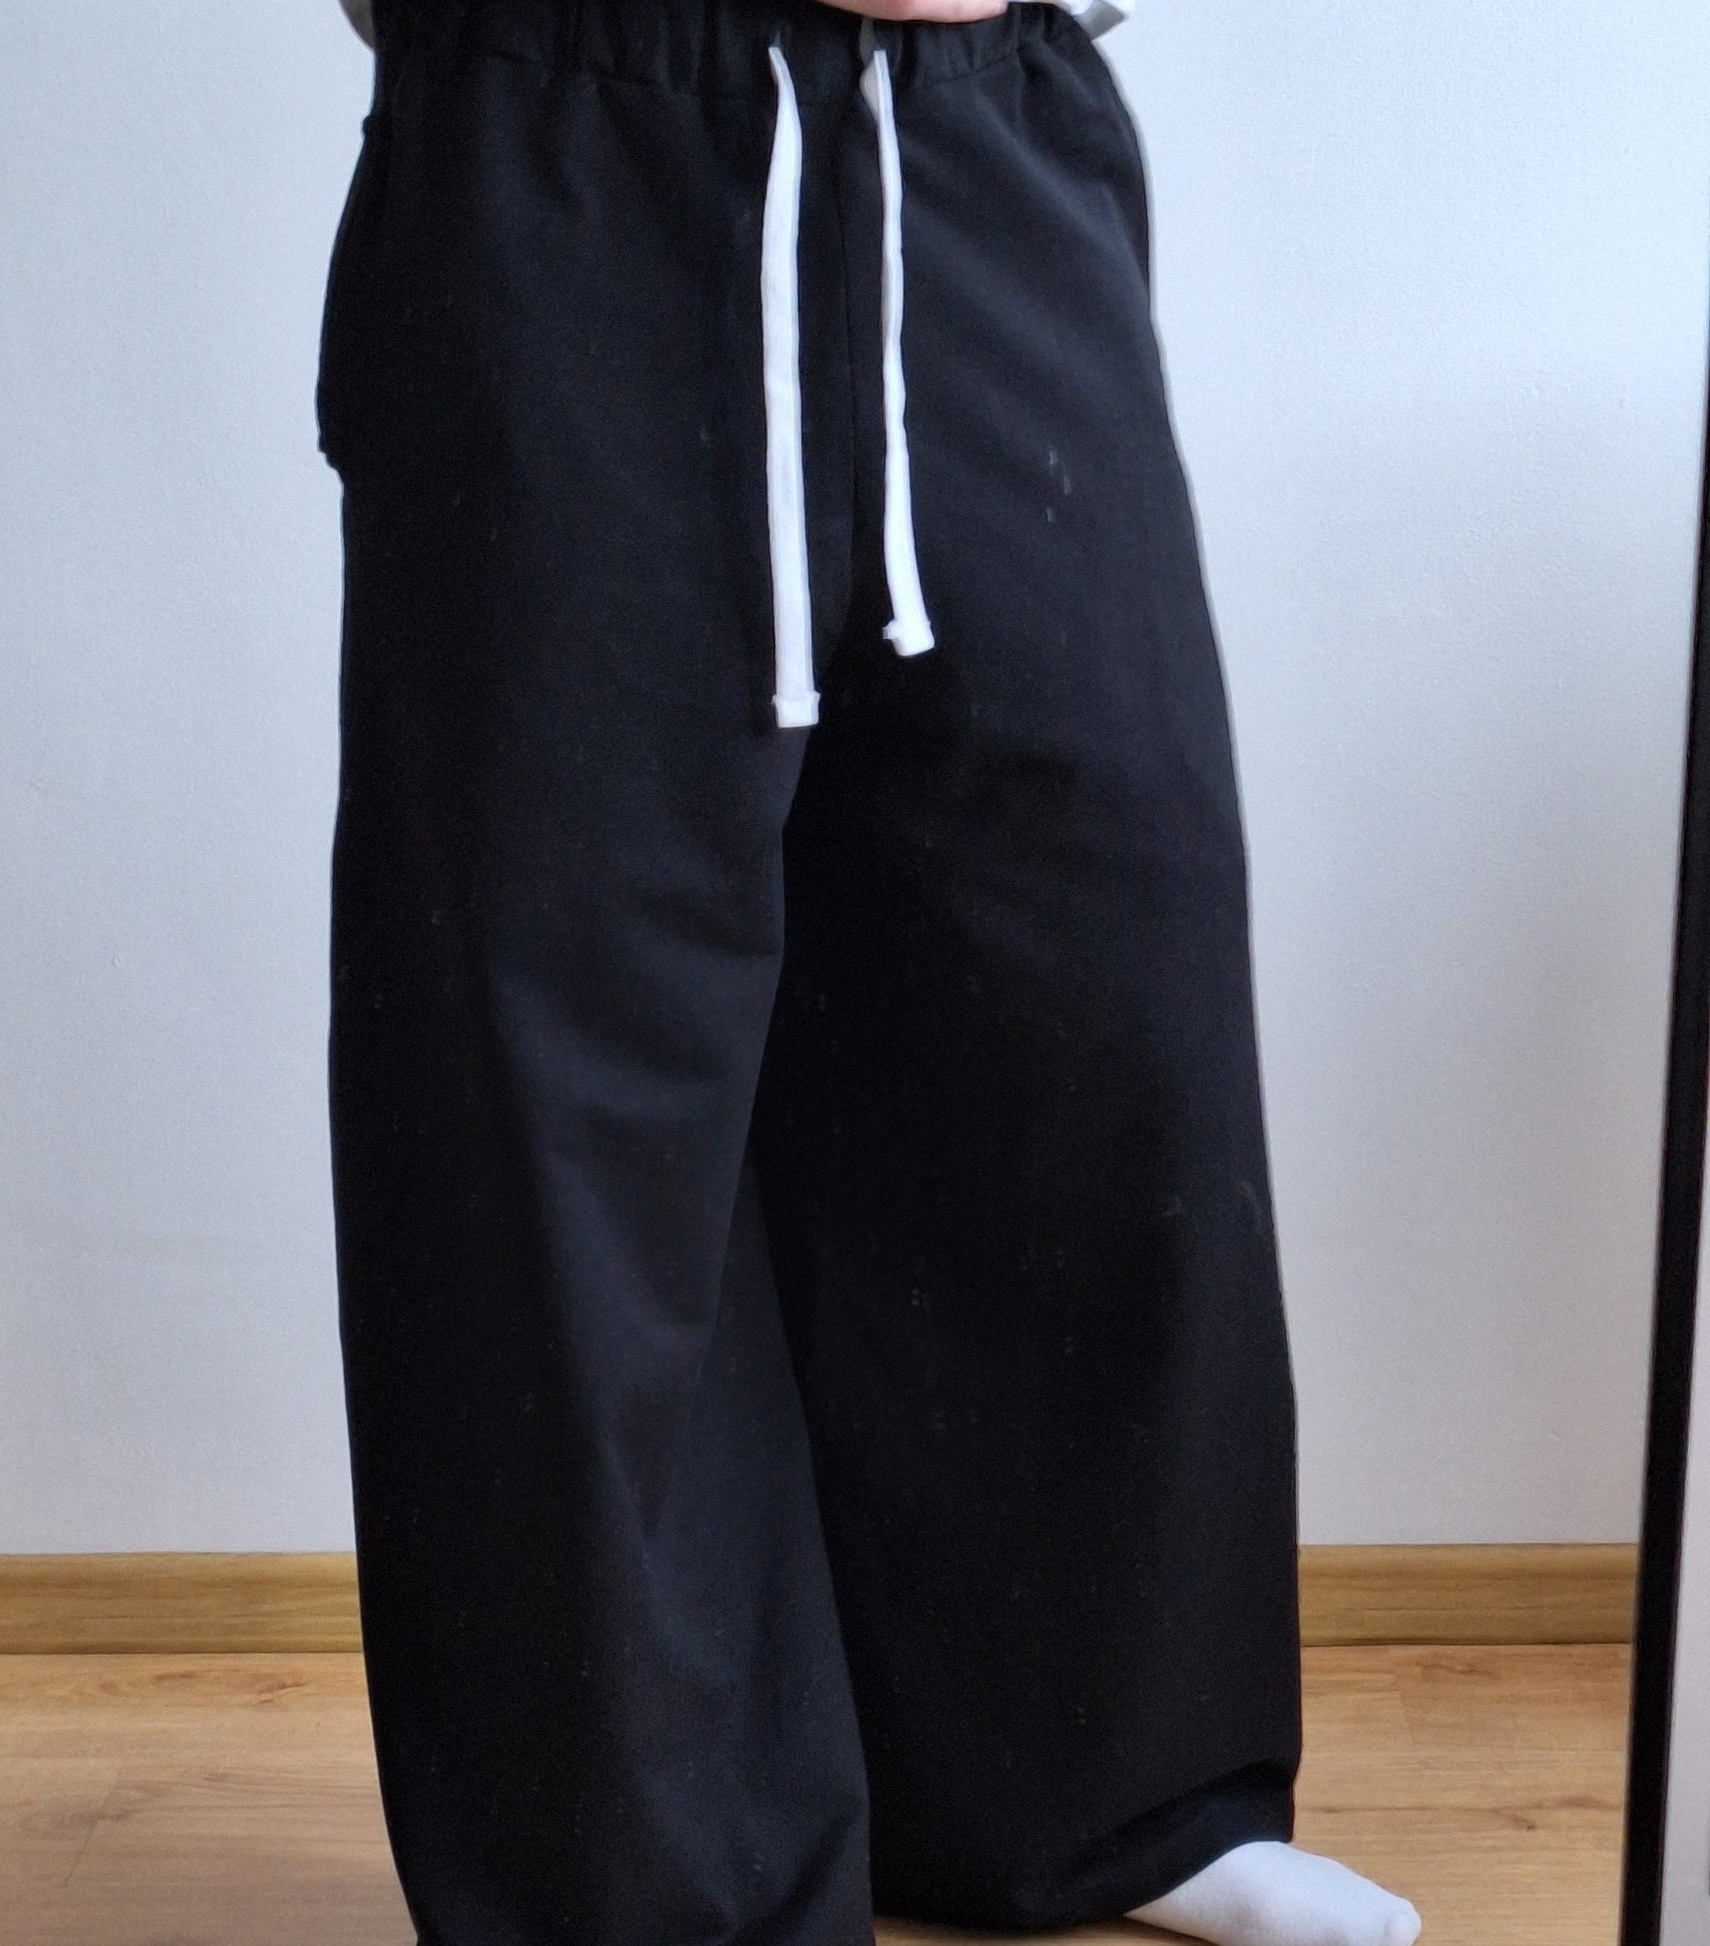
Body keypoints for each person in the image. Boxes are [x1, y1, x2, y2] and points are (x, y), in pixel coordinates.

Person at [315, 3, 1425, 1944]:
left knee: (1085, 951)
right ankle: (643, 1896)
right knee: (570, 1062)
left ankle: (1089, 1785)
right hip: (568, 113)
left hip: (987, 127)